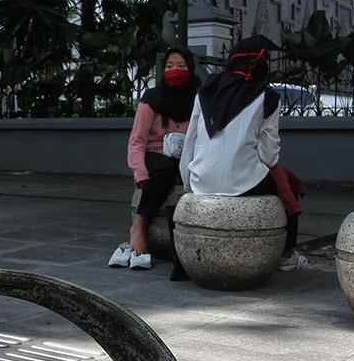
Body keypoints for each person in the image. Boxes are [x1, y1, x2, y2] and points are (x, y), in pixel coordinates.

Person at [179, 36, 307, 271]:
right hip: (244, 182)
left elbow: (190, 143)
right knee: (288, 184)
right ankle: (287, 255)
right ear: (260, 64)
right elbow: (269, 156)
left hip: (200, 181)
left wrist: (189, 185)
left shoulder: (205, 91)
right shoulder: (267, 97)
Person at [109, 46, 199, 270]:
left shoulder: (200, 98)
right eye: (169, 66)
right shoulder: (152, 100)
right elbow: (137, 141)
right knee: (165, 170)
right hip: (156, 154)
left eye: (181, 66)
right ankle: (139, 226)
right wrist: (139, 170)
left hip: (189, 156)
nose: (174, 71)